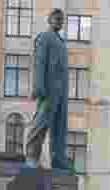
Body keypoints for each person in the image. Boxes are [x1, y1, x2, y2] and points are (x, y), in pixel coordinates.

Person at [24, 9, 69, 169]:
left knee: (60, 127)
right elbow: (39, 62)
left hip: (61, 91)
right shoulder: (45, 37)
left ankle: (58, 160)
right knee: (41, 121)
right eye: (56, 18)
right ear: (49, 19)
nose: (59, 21)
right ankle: (31, 156)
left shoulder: (61, 42)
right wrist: (39, 86)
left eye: (61, 19)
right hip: (49, 88)